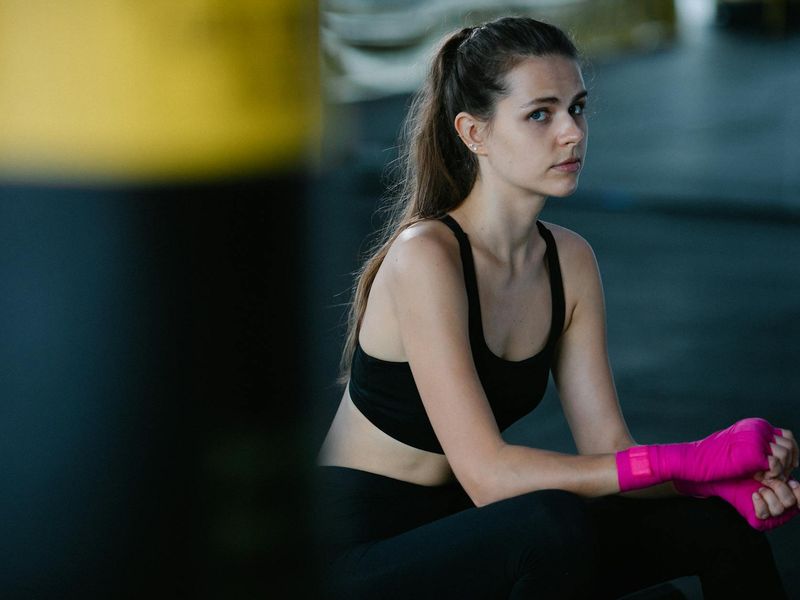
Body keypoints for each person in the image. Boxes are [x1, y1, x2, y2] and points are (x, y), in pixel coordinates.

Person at [315, 16, 799, 599]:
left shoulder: (569, 261)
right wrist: (687, 459)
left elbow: (611, 454)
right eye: (540, 114)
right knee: (550, 524)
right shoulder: (426, 257)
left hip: (470, 530)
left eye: (577, 108)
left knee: (717, 524)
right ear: (474, 133)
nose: (572, 132)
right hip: (358, 555)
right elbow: (490, 477)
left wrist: (717, 479)